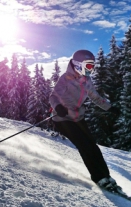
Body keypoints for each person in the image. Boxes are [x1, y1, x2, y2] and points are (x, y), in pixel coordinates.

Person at [49, 49, 121, 192]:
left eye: (92, 66)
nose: (91, 69)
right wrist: (58, 107)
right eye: (88, 66)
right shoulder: (65, 78)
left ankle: (106, 176)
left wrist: (109, 107)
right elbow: (53, 96)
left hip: (77, 117)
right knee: (84, 145)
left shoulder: (87, 80)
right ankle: (98, 178)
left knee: (92, 146)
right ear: (77, 64)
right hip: (63, 119)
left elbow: (95, 97)